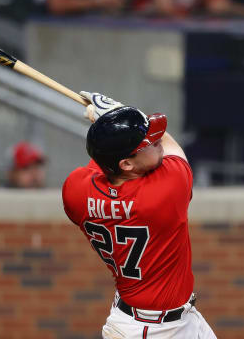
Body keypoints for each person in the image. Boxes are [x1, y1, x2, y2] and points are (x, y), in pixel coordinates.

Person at [62, 92, 216, 338]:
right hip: (152, 331)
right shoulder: (166, 190)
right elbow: (171, 145)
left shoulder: (75, 191)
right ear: (126, 164)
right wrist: (120, 109)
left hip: (161, 320)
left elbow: (101, 163)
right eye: (148, 143)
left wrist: (111, 124)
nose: (156, 140)